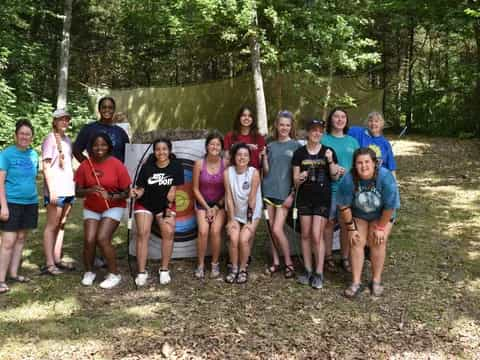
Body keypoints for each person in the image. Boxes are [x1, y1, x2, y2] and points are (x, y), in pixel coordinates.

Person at [336, 148, 400, 298]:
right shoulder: (349, 179)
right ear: (354, 165)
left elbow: (390, 207)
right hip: (359, 213)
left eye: (367, 162)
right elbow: (343, 206)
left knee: (378, 240)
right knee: (356, 240)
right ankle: (356, 282)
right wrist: (351, 229)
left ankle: (376, 280)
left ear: (374, 163)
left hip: (382, 214)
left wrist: (380, 228)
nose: (363, 166)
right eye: (359, 163)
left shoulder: (385, 178)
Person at [74, 133, 131, 289]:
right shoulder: (86, 165)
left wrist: (110, 195)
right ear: (90, 147)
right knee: (89, 239)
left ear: (109, 146)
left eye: (103, 145)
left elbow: (127, 192)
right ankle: (89, 271)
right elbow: (77, 192)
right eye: (96, 145)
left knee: (102, 238)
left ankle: (114, 274)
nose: (99, 148)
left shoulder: (116, 164)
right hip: (92, 207)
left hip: (113, 206)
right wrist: (90, 190)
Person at [292, 119, 339, 289]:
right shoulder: (299, 153)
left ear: (322, 133)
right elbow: (295, 181)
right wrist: (300, 178)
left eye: (320, 130)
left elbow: (334, 176)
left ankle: (319, 272)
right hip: (304, 198)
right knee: (305, 234)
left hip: (322, 199)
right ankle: (307, 270)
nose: (316, 133)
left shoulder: (328, 151)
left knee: (316, 235)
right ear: (308, 132)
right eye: (313, 130)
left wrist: (331, 161)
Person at [130, 138, 184, 286]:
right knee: (143, 233)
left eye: (164, 149)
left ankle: (164, 269)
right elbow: (141, 189)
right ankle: (141, 272)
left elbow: (173, 191)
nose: (161, 152)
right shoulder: (147, 167)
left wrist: (167, 210)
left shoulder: (176, 166)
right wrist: (136, 193)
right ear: (154, 151)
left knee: (168, 231)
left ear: (169, 150)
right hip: (145, 204)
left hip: (165, 205)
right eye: (158, 149)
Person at [0, 120, 39, 294]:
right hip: (11, 203)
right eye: (21, 133)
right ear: (16, 135)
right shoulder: (6, 154)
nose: (24, 136)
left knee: (21, 238)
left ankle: (14, 273)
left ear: (32, 137)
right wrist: (3, 206)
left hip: (30, 203)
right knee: (8, 241)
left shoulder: (33, 155)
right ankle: (0, 280)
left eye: (28, 134)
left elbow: (33, 177)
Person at [261, 110, 300, 278]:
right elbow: (267, 171)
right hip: (268, 191)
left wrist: (292, 194)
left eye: (287, 125)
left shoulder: (296, 146)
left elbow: (297, 176)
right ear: (276, 125)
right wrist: (263, 157)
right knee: (271, 230)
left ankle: (289, 263)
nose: (284, 128)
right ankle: (276, 262)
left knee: (278, 229)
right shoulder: (270, 145)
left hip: (284, 194)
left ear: (291, 127)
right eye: (281, 124)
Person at [321, 107, 360, 273]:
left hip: (348, 190)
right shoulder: (323, 139)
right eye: (336, 116)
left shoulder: (352, 142)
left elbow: (359, 165)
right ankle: (328, 257)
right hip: (328, 188)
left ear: (346, 121)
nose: (339, 119)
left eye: (343, 117)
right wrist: (333, 167)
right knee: (328, 223)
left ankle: (344, 258)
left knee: (346, 224)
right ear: (331, 120)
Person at [41, 109, 76, 276]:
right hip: (56, 190)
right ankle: (49, 263)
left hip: (69, 188)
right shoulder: (49, 139)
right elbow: (46, 167)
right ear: (54, 121)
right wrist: (51, 190)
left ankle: (57, 258)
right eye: (61, 119)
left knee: (61, 224)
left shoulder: (67, 140)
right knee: (52, 225)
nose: (64, 122)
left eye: (66, 119)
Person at [224, 143, 262, 284]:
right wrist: (231, 219)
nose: (242, 157)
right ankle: (233, 268)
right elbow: (228, 197)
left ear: (249, 158)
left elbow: (252, 198)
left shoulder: (254, 172)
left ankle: (243, 269)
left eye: (245, 155)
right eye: (239, 154)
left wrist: (249, 221)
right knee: (233, 238)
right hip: (235, 211)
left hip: (251, 212)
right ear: (234, 156)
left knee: (243, 239)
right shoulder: (228, 173)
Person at [192, 132, 226, 280]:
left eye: (218, 144)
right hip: (202, 203)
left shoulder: (226, 164)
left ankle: (214, 263)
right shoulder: (199, 164)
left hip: (220, 204)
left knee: (215, 231)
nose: (215, 147)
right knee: (203, 232)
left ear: (221, 147)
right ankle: (200, 265)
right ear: (206, 146)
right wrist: (207, 208)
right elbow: (195, 189)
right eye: (212, 144)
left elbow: (228, 190)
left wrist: (216, 207)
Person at [73, 96, 129, 163]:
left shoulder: (121, 132)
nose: (107, 110)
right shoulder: (88, 129)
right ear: (99, 109)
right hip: (96, 173)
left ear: (114, 110)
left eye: (110, 108)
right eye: (104, 107)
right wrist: (89, 166)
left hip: (116, 172)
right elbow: (76, 151)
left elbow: (128, 155)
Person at [348, 111, 396, 176]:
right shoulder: (357, 132)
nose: (373, 123)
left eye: (376, 121)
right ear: (367, 123)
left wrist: (394, 184)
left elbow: (392, 168)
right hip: (360, 175)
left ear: (381, 124)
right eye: (370, 121)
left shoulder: (385, 143)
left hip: (379, 178)